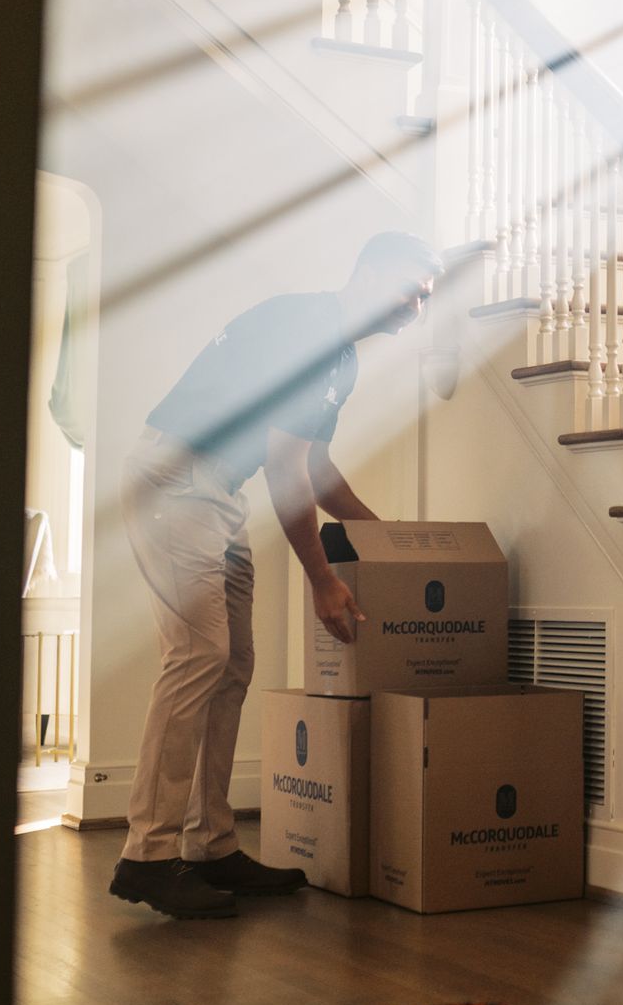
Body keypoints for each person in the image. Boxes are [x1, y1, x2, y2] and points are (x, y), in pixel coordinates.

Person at [108, 231, 444, 919]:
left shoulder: (338, 357)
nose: (416, 305)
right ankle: (147, 855)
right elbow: (288, 474)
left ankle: (211, 844)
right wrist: (324, 579)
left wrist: (389, 542)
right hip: (176, 480)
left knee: (233, 665)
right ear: (370, 270)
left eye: (426, 297)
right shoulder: (307, 331)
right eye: (411, 288)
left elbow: (316, 469)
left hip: (217, 492)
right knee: (198, 654)